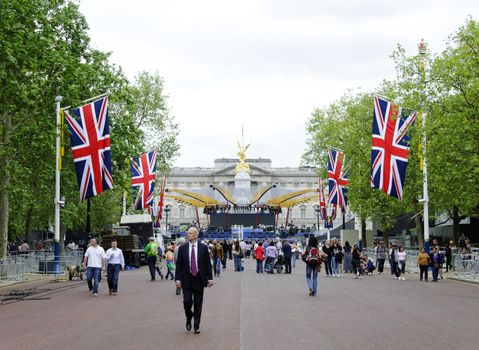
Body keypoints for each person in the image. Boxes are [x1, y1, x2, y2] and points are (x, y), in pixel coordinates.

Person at [175, 227, 213, 335]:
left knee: (198, 303)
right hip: (186, 279)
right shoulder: (182, 248)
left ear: (196, 235)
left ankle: (196, 325)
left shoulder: (203, 248)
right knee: (187, 301)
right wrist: (177, 279)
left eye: (190, 233)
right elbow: (179, 265)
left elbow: (207, 264)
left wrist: (210, 278)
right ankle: (188, 316)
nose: (188, 235)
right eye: (187, 233)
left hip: (199, 279)